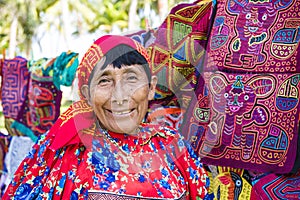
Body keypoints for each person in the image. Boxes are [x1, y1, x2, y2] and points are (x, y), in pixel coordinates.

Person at [3, 35, 209, 199]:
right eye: (104, 81)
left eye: (131, 78)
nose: (119, 96)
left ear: (151, 87)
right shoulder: (66, 154)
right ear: (87, 94)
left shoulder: (172, 145)